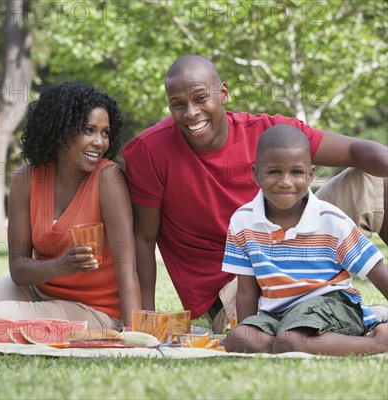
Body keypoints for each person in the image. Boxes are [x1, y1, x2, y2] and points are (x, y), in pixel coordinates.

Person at [122, 54, 388, 332]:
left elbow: (356, 151)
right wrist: (146, 320)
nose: (191, 112)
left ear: (222, 93)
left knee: (373, 181)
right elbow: (143, 238)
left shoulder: (268, 133)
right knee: (277, 332)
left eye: (201, 98)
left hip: (301, 242)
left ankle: (360, 315)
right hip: (236, 284)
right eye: (178, 105)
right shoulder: (150, 151)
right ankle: (366, 318)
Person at [0, 82, 141, 336]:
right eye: (89, 130)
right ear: (61, 130)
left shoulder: (108, 179)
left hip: (95, 310)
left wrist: (132, 332)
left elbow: (126, 266)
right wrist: (60, 266)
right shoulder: (27, 178)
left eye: (105, 133)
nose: (100, 142)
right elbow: (19, 270)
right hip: (37, 290)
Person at [222, 124, 387, 355]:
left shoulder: (331, 219)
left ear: (310, 175)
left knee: (291, 338)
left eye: (296, 172)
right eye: (274, 172)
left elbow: (376, 270)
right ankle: (287, 345)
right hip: (277, 313)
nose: (286, 181)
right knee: (238, 337)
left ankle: (378, 343)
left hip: (333, 304)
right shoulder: (242, 221)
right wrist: (250, 331)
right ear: (256, 174)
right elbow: (247, 291)